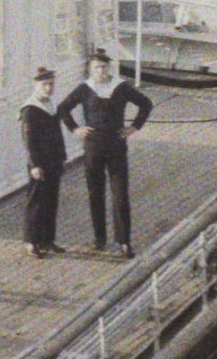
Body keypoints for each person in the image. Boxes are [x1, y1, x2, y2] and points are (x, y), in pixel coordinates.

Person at [57, 49, 153, 256]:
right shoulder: (85, 88)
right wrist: (75, 129)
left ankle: (124, 241)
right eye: (96, 68)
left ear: (108, 67)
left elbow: (146, 104)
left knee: (120, 194)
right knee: (95, 194)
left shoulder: (120, 87)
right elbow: (63, 108)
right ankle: (99, 239)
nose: (100, 71)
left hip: (117, 147)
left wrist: (135, 126)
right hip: (93, 148)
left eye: (103, 67)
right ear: (91, 70)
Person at [19, 66, 67, 257]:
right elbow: (28, 141)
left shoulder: (51, 104)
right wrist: (34, 165)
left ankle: (47, 239)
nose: (48, 88)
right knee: (36, 202)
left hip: (54, 160)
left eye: (51, 84)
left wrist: (62, 156)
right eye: (45, 84)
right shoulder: (30, 110)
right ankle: (31, 241)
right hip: (39, 164)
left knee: (51, 201)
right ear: (35, 85)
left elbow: (57, 134)